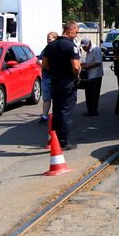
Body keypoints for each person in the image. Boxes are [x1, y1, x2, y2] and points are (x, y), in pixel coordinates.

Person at [41, 21, 81, 150]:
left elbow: (44, 64)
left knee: (57, 111)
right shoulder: (71, 46)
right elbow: (75, 66)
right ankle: (63, 142)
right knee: (66, 112)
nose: (77, 33)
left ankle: (55, 139)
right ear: (70, 30)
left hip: (54, 81)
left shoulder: (51, 46)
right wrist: (76, 74)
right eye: (76, 30)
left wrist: (53, 72)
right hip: (67, 82)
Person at [37, 31, 57, 123]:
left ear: (55, 39)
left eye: (50, 39)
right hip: (46, 77)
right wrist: (41, 63)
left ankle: (56, 115)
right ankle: (44, 116)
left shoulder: (58, 49)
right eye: (47, 39)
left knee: (56, 98)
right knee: (46, 98)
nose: (48, 41)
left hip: (56, 78)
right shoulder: (46, 49)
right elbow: (39, 60)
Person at [80, 37, 104, 116]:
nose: (83, 48)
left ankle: (93, 110)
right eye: (82, 47)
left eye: (84, 46)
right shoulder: (88, 51)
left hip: (95, 75)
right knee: (89, 93)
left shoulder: (95, 49)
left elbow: (98, 62)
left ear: (88, 44)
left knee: (93, 94)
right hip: (90, 75)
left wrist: (86, 66)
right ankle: (90, 110)